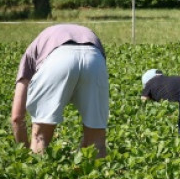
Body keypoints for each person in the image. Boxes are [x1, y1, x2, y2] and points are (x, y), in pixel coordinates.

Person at [10, 24, 109, 157]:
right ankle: (98, 169)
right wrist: (80, 153)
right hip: (94, 58)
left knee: (40, 137)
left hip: (57, 59)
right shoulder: (88, 34)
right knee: (97, 140)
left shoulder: (31, 52)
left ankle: (37, 163)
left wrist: (24, 154)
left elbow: (17, 117)